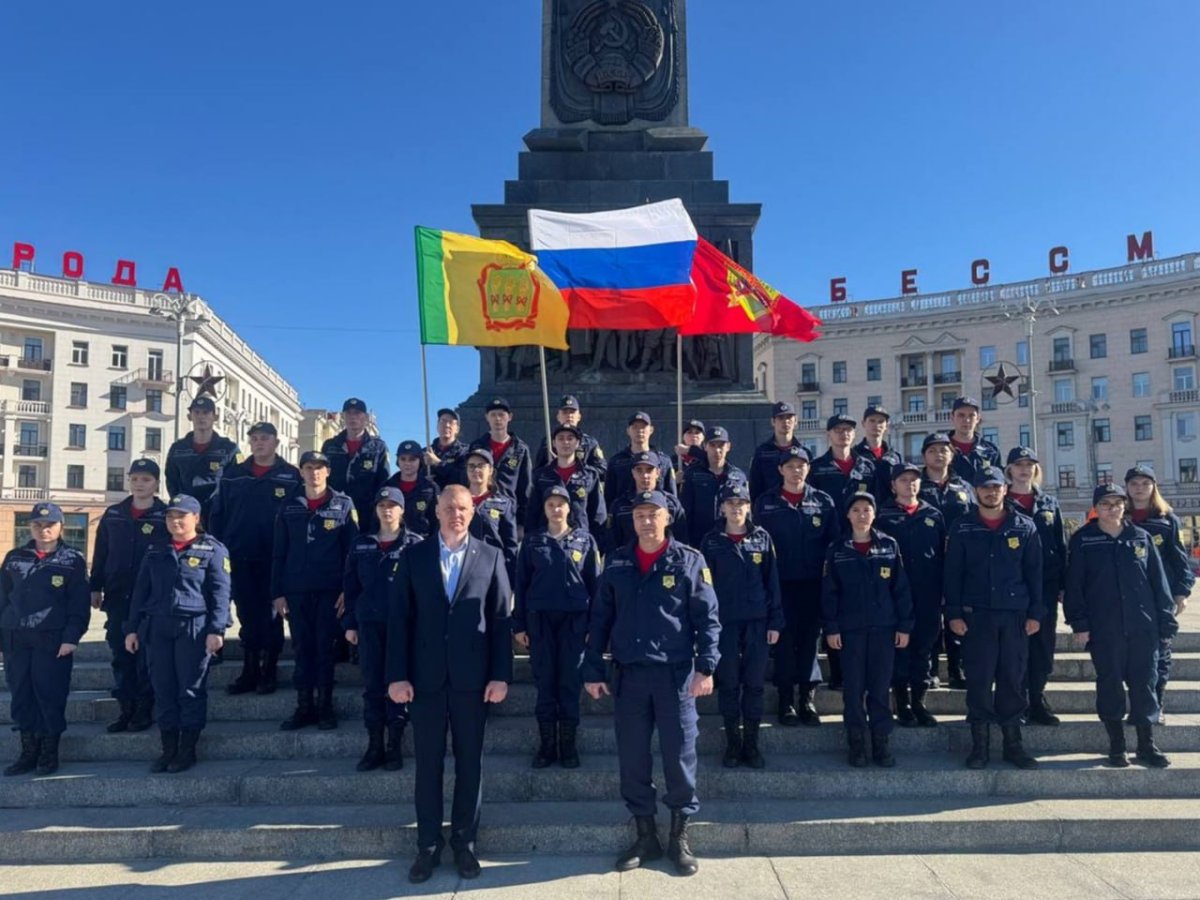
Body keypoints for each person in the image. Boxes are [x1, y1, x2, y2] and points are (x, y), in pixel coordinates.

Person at [584, 489, 720, 877]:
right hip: (629, 677)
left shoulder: (689, 560)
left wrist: (706, 666)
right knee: (633, 758)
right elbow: (600, 619)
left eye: (652, 514)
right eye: (639, 514)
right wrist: (593, 669)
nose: (645, 520)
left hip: (675, 676)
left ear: (667, 518)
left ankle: (678, 836)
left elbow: (707, 617)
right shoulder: (618, 561)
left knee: (679, 756)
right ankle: (646, 835)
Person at [387, 486, 513, 884]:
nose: (455, 514)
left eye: (462, 508)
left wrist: (500, 674)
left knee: (469, 765)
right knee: (427, 766)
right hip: (423, 681)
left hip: (472, 682)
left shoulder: (491, 557)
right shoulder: (414, 556)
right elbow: (399, 620)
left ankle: (464, 844)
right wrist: (397, 675)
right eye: (448, 508)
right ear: (436, 511)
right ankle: (427, 846)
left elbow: (500, 622)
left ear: (472, 511)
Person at [1065, 483, 1177, 768]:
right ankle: (1117, 746)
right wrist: (1079, 623)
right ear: (1096, 508)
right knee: (1110, 683)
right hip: (1105, 627)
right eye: (1105, 504)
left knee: (1144, 684)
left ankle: (1146, 744)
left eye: (1117, 503)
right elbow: (1074, 586)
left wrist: (1166, 620)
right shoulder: (1083, 540)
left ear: (1124, 506)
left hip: (1143, 625)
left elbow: (1158, 582)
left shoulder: (1140, 537)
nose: (1112, 508)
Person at [944, 470, 1044, 770]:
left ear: (1006, 489)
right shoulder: (962, 527)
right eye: (985, 487)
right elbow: (952, 574)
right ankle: (980, 746)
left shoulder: (1024, 526)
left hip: (1014, 617)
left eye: (996, 487)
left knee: (1013, 680)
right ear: (976, 491)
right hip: (977, 617)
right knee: (978, 680)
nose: (991, 492)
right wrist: (953, 613)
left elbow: (1035, 573)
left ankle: (1013, 745)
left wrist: (1036, 613)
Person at [125, 495, 230, 773]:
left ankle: (187, 749)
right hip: (158, 626)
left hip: (193, 628)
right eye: (171, 516)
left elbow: (221, 593)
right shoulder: (156, 549)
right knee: (163, 689)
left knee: (190, 689)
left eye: (181, 516)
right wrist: (132, 628)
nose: (175, 521)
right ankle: (168, 748)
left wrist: (217, 629)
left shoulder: (213, 549)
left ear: (196, 518)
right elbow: (140, 592)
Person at [208, 422, 301, 696]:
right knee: (247, 616)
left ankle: (269, 670)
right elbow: (218, 515)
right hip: (240, 556)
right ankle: (249, 671)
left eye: (265, 438)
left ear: (276, 442)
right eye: (255, 438)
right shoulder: (233, 475)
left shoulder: (290, 475)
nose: (259, 443)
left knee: (273, 616)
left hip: (274, 558)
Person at [513, 484, 602, 769]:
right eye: (550, 504)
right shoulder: (532, 541)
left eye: (560, 504)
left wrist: (593, 626)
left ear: (569, 508)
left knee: (569, 681)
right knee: (545, 681)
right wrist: (519, 624)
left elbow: (595, 585)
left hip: (574, 622)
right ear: (545, 509)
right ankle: (547, 745)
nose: (555, 509)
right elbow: (521, 584)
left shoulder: (585, 540)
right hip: (540, 621)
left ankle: (568, 745)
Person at [822, 492, 913, 767]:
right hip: (850, 632)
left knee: (879, 688)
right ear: (848, 515)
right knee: (853, 690)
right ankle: (857, 743)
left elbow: (901, 589)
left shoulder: (889, 545)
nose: (862, 515)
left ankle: (880, 743)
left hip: (884, 630)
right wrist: (832, 627)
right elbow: (829, 593)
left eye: (867, 510)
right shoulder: (837, 549)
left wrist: (904, 625)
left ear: (874, 514)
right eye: (856, 510)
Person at [0, 503, 90, 776]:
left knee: (49, 696)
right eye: (38, 524)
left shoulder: (72, 560)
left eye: (50, 524)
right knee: (22, 697)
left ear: (61, 526)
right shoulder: (15, 557)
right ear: (30, 527)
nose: (44, 529)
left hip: (52, 641)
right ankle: (28, 752)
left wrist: (71, 638)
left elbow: (79, 605)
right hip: (16, 637)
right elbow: (2, 599)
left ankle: (49, 754)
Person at [752, 447, 839, 726]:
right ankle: (787, 700)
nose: (796, 470)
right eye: (790, 466)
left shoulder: (824, 502)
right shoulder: (766, 503)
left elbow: (833, 544)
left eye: (801, 465)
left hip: (813, 584)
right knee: (785, 642)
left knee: (809, 641)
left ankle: (807, 698)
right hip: (780, 585)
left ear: (808, 469)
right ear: (780, 470)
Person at [272, 451, 359, 731]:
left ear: (328, 471)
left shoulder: (343, 504)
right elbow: (279, 552)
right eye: (308, 468)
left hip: (330, 591)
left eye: (319, 468)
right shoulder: (289, 505)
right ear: (301, 472)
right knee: (302, 648)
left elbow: (352, 552)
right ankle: (304, 706)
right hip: (296, 590)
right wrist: (278, 592)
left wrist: (348, 589)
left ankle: (325, 707)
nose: (314, 473)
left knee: (325, 648)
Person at [699, 482, 782, 768]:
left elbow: (772, 583)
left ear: (749, 507)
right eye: (730, 503)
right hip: (724, 625)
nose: (736, 508)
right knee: (730, 683)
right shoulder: (711, 541)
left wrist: (775, 621)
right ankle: (733, 743)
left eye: (741, 503)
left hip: (758, 623)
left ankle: (752, 744)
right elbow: (702, 588)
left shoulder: (762, 538)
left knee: (755, 684)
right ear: (722, 507)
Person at [342, 487, 423, 772]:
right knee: (373, 687)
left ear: (402, 511)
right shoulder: (362, 544)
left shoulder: (416, 544)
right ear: (375, 510)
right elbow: (351, 588)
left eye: (393, 506)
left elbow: (425, 591)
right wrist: (350, 623)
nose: (387, 510)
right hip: (370, 626)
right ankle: (375, 744)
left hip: (403, 629)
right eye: (382, 505)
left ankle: (395, 746)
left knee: (399, 686)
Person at [90, 459, 167, 733]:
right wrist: (95, 586)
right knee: (121, 653)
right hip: (119, 596)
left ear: (157, 483)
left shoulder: (165, 515)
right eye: (134, 479)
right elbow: (101, 553)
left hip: (151, 598)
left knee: (146, 654)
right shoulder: (113, 514)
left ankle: (145, 708)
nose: (139, 484)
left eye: (146, 479)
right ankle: (126, 708)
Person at [875, 463, 945, 727]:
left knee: (923, 648)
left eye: (914, 480)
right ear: (893, 485)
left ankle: (919, 701)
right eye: (903, 480)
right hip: (894, 595)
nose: (910, 484)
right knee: (899, 649)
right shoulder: (883, 515)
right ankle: (902, 702)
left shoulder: (933, 515)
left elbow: (942, 554)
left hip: (927, 593)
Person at [1124, 464, 1195, 723]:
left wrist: (1181, 593)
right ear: (1127, 488)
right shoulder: (1120, 518)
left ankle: (1156, 704)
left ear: (1154, 486)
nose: (1139, 488)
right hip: (1127, 599)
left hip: (1159, 600)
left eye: (1145, 483)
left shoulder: (1167, 519)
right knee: (1133, 656)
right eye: (1134, 484)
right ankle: (1138, 703)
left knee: (1160, 655)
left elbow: (1180, 562)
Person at [1004, 447, 1067, 726]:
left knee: (1042, 644)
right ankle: (1016, 700)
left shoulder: (1048, 503)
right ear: (1009, 470)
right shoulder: (1000, 501)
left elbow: (1060, 546)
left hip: (1045, 586)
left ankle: (1037, 697)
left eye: (1030, 464)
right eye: (1019, 464)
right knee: (1014, 646)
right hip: (1012, 586)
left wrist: (1065, 585)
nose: (1024, 469)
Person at [918, 432, 975, 689]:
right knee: (929, 620)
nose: (938, 455)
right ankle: (929, 669)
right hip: (926, 561)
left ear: (952, 455)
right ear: (924, 456)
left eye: (944, 450)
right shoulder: (915, 484)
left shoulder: (963, 488)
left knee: (957, 615)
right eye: (932, 450)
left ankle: (957, 668)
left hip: (960, 562)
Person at [164, 395, 240, 522]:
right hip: (186, 513)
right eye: (197, 412)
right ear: (190, 417)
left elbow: (237, 481)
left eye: (206, 412)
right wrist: (180, 504)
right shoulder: (178, 449)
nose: (201, 416)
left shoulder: (229, 449)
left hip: (218, 514)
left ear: (215, 417)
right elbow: (171, 480)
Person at [322, 397, 390, 532]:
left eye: (357, 413)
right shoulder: (330, 446)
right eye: (349, 413)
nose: (353, 418)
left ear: (365, 418)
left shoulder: (378, 447)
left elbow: (384, 482)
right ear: (343, 417)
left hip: (366, 513)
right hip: (335, 511)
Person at [526, 424, 606, 536]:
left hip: (580, 541)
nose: (566, 442)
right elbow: (532, 512)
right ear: (553, 443)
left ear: (578, 443)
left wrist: (597, 544)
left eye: (570, 438)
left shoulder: (590, 475)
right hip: (547, 540)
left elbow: (598, 513)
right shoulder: (542, 475)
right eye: (561, 438)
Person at [466, 398, 533, 526]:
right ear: (487, 417)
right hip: (479, 511)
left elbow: (525, 488)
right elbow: (466, 479)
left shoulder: (520, 449)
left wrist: (522, 524)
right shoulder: (476, 446)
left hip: (508, 514)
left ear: (510, 417)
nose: (497, 419)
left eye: (501, 414)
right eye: (493, 415)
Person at [680, 426, 748, 548]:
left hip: (730, 542)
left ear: (728, 447)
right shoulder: (693, 474)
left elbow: (746, 512)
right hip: (699, 540)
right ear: (705, 446)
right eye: (712, 445)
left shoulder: (738, 476)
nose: (717, 450)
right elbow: (685, 512)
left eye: (721, 445)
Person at [605, 451, 686, 552]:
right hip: (629, 562)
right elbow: (611, 543)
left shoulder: (672, 504)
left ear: (658, 473)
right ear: (633, 473)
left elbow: (682, 539)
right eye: (639, 470)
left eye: (649, 470)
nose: (645, 475)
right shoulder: (619, 505)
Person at [463, 448, 519, 585]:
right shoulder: (457, 500)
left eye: (481, 465)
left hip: (491, 570)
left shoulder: (504, 503)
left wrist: (510, 581)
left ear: (491, 470)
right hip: (462, 568)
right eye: (471, 466)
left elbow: (510, 544)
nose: (476, 470)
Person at [604, 411, 677, 507]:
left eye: (643, 427)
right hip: (624, 513)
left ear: (651, 430)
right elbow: (609, 495)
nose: (640, 430)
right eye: (635, 427)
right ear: (628, 431)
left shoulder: (663, 461)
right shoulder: (617, 461)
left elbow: (671, 494)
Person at [533, 394, 607, 473]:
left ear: (579, 417)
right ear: (558, 416)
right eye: (565, 412)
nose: (569, 416)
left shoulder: (589, 443)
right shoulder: (549, 442)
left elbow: (602, 470)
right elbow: (537, 471)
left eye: (572, 412)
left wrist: (580, 469)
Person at [748, 401, 805, 502]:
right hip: (770, 508)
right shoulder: (762, 452)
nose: (785, 421)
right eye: (781, 418)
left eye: (789, 418)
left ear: (795, 421)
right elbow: (755, 486)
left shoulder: (803, 452)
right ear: (773, 422)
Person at [384, 440, 440, 537]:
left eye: (412, 459)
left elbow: (437, 522)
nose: (407, 463)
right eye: (403, 459)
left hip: (422, 543)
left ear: (420, 461)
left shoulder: (431, 488)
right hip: (394, 543)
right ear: (398, 461)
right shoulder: (387, 488)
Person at [947, 397, 1001, 485]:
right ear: (952, 417)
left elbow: (997, 481)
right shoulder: (943, 448)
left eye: (971, 415)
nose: (967, 420)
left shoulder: (990, 451)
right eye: (961, 415)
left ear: (978, 418)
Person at [854, 405, 903, 500]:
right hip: (864, 510)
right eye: (872, 421)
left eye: (881, 421)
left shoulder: (895, 456)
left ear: (886, 426)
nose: (876, 425)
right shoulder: (855, 454)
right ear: (863, 423)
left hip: (889, 510)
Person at [425, 407, 470, 490]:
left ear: (457, 429)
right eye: (443, 421)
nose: (447, 425)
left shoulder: (466, 452)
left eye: (451, 422)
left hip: (454, 498)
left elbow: (463, 478)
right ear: (437, 426)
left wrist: (438, 463)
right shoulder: (425, 452)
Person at [671, 419, 707, 485]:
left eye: (697, 432)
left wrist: (689, 450)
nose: (694, 435)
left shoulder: (708, 457)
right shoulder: (673, 461)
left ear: (703, 437)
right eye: (689, 432)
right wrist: (673, 481)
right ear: (682, 437)